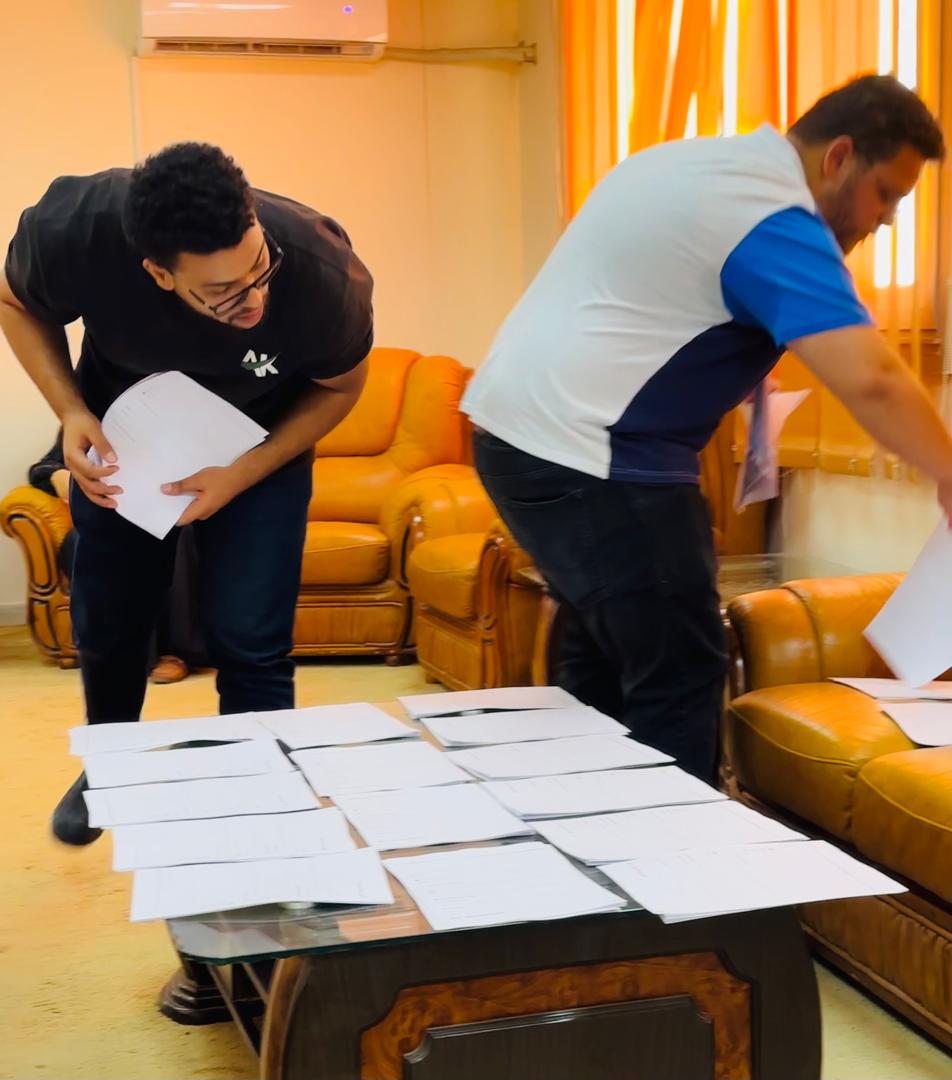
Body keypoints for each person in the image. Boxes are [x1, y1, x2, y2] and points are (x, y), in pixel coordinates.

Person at [462, 74, 952, 784]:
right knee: (681, 671)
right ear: (839, 157)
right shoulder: (774, 215)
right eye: (886, 195)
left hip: (521, 436)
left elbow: (646, 295)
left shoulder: (690, 164)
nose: (886, 221)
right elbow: (872, 378)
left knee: (605, 658)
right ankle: (672, 851)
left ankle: (578, 834)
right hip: (594, 455)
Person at [0, 143, 373, 844]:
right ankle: (110, 763)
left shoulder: (321, 270)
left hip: (259, 445)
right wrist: (70, 410)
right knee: (111, 619)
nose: (254, 300)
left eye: (258, 270)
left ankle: (261, 787)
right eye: (224, 291)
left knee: (252, 635)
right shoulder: (75, 230)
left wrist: (244, 472)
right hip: (129, 436)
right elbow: (15, 300)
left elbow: (341, 387)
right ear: (158, 273)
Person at [28, 430, 207, 683]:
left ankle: (170, 652)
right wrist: (58, 476)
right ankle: (114, 655)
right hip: (102, 519)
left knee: (174, 535)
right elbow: (42, 468)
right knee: (91, 542)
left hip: (165, 513)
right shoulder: (89, 420)